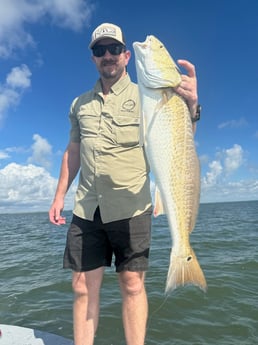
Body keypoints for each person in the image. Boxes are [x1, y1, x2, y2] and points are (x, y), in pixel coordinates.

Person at [49, 23, 200, 345]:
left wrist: (190, 108)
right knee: (81, 286)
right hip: (87, 206)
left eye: (114, 49)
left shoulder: (148, 93)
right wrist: (59, 195)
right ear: (92, 58)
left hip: (132, 207)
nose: (108, 55)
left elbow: (177, 146)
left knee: (132, 285)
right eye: (99, 50)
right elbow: (72, 151)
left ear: (126, 55)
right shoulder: (79, 104)